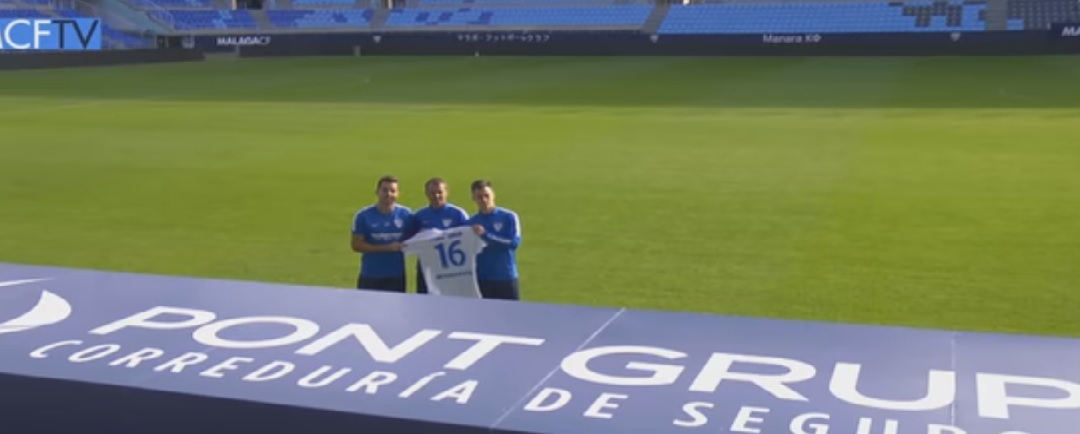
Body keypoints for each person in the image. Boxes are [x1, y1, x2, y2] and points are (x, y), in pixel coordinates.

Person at [350, 175, 415, 293]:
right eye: (385, 190)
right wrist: (387, 248)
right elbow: (356, 245)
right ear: (377, 192)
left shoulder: (407, 215)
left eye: (393, 191)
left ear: (398, 193)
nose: (388, 194)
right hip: (370, 275)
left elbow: (417, 238)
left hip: (396, 276)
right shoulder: (363, 216)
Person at [411, 178, 470, 294]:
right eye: (432, 193)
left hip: (451, 269)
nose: (436, 196)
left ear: (446, 192)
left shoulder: (458, 214)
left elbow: (468, 239)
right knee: (424, 300)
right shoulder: (420, 215)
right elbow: (411, 239)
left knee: (450, 300)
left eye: (439, 192)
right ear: (426, 193)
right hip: (426, 268)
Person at [467, 179, 522, 300]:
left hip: (506, 277)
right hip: (482, 279)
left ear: (493, 195)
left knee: (511, 312)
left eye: (487, 195)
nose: (484, 200)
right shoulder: (471, 223)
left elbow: (513, 243)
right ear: (473, 198)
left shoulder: (508, 217)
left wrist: (485, 235)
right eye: (479, 197)